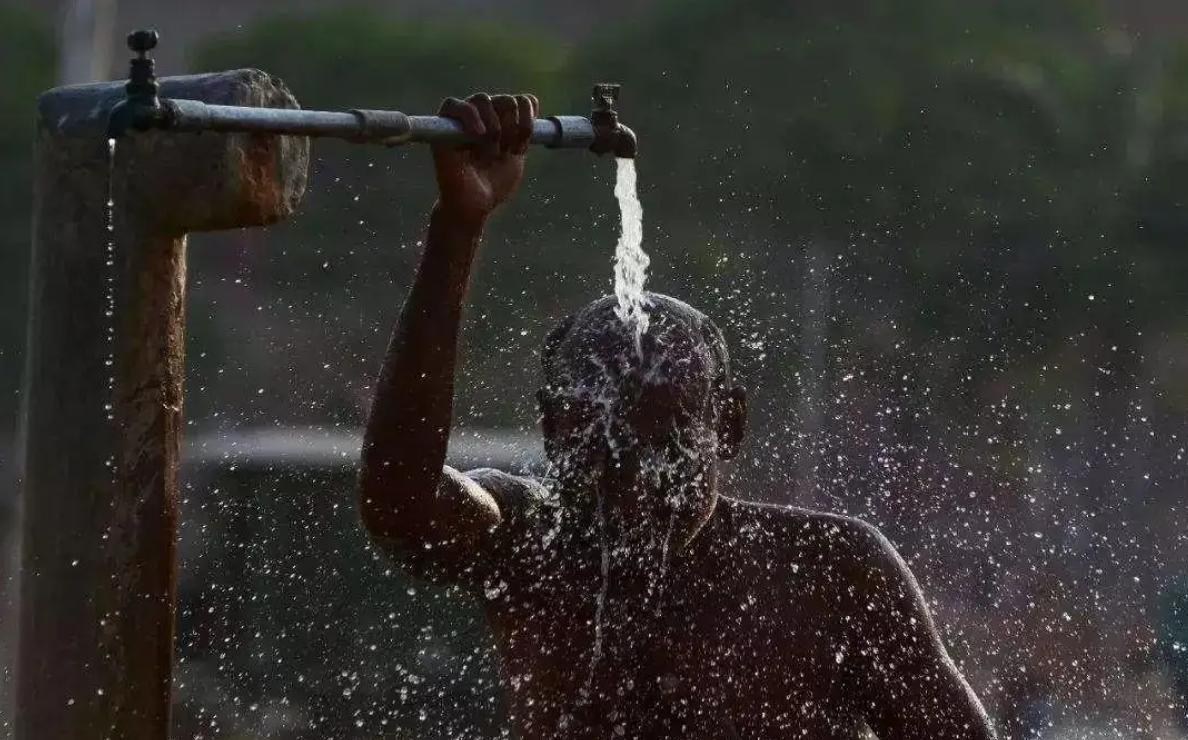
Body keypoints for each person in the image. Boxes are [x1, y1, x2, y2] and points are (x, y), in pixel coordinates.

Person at [358, 92, 997, 739]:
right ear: (553, 430)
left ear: (729, 426)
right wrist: (458, 227)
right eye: (599, 440)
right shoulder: (531, 544)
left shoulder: (828, 573)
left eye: (665, 440)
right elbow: (401, 506)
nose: (631, 477)